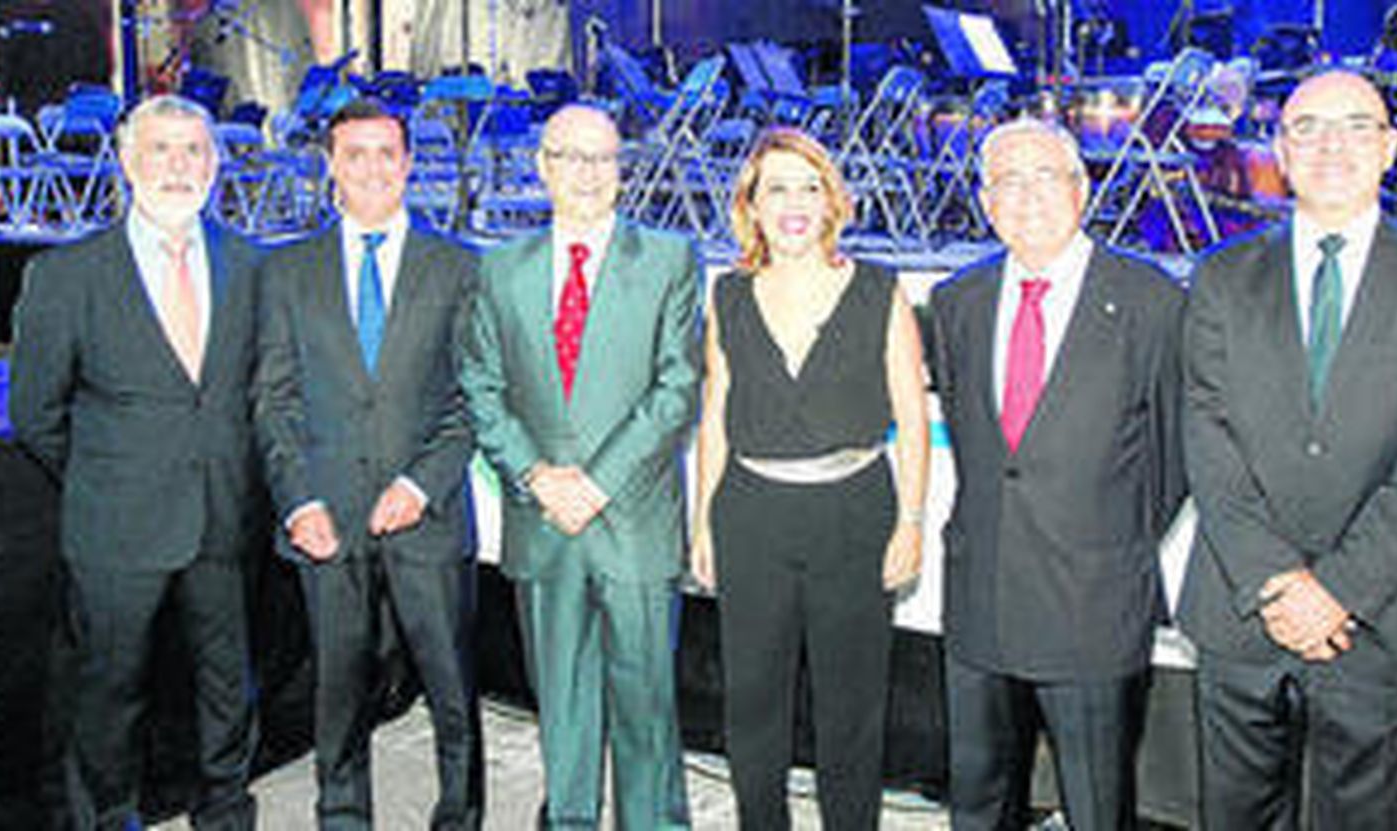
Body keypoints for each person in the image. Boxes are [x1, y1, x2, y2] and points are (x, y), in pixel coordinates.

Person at [1178, 70, 1397, 829]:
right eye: (1307, 127)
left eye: (1356, 125)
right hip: (1243, 611)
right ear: (1280, 150)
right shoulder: (1221, 276)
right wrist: (1278, 583)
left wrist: (1336, 590)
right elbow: (1207, 436)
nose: (1330, 145)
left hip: (1379, 617)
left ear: (1390, 148)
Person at [7, 94, 260, 830]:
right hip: (114, 528)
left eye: (193, 151)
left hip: (221, 518)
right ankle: (105, 818)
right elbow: (36, 414)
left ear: (214, 164)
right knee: (108, 695)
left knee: (226, 689)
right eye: (161, 149)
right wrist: (106, 475)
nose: (178, 166)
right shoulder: (65, 275)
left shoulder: (250, 266)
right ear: (125, 160)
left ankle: (225, 814)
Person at [929, 118, 1187, 831]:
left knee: (1096, 805)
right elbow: (985, 448)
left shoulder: (1151, 301)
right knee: (979, 802)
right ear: (984, 201)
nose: (1026, 194)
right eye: (1007, 180)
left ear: (1082, 190)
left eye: (1045, 175)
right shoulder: (957, 303)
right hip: (981, 594)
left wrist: (1106, 542)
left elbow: (1174, 454)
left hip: (1093, 601)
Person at [458, 104, 698, 829]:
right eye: (570, 157)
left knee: (645, 709)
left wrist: (592, 484)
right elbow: (480, 383)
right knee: (561, 708)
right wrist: (537, 476)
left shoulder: (667, 258)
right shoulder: (500, 267)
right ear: (542, 167)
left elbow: (677, 386)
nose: (588, 173)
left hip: (633, 520)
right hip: (543, 523)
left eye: (603, 158)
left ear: (622, 170)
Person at [252, 98, 483, 829]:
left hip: (430, 516)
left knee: (452, 687)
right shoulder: (286, 271)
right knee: (338, 689)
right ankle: (342, 812)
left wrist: (420, 483)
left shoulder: (458, 267)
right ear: (330, 167)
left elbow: (474, 399)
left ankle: (461, 811)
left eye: (388, 152)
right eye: (355, 154)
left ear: (410, 163)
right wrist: (298, 501)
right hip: (327, 517)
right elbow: (273, 401)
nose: (373, 168)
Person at [689, 127, 929, 830]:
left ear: (831, 201)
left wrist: (910, 521)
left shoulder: (880, 291)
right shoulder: (728, 296)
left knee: (850, 708)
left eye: (808, 185)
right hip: (752, 515)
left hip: (854, 513)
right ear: (751, 207)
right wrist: (703, 521)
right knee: (753, 702)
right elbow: (716, 417)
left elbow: (912, 420)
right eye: (776, 189)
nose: (793, 203)